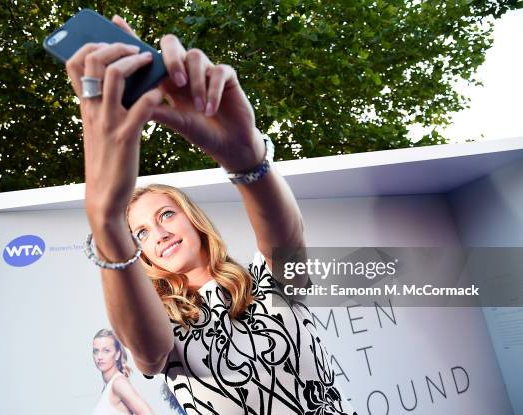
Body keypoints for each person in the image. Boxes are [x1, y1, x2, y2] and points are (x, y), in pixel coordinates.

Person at [67, 14, 357, 415]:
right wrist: (106, 223)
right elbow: (146, 352)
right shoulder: (163, 327)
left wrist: (246, 160)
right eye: (141, 233)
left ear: (193, 220)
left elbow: (284, 237)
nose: (159, 234)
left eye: (166, 215)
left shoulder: (267, 284)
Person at [92, 329, 155, 415]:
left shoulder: (118, 383)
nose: (99, 356)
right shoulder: (109, 387)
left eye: (106, 351)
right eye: (96, 351)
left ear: (118, 354)